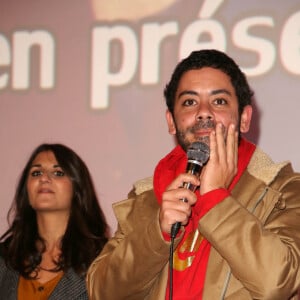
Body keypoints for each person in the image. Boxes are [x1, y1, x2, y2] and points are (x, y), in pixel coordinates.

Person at [87, 49, 300, 299]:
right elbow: (101, 292)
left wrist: (216, 201)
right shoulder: (145, 197)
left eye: (219, 101)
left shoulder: (282, 189)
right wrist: (158, 232)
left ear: (244, 118)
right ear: (171, 121)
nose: (203, 112)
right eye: (189, 102)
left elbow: (278, 283)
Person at [0, 143, 108, 299]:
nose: (44, 178)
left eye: (58, 173)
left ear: (77, 189)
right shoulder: (5, 258)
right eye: (36, 173)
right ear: (26, 190)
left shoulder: (104, 260)